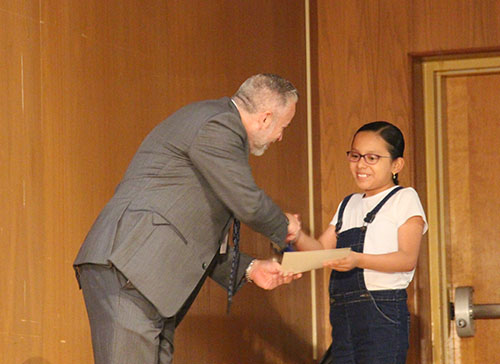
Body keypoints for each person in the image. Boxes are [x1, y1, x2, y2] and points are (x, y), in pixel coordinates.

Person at [73, 73, 302, 364]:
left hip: (147, 280)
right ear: (266, 118)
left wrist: (251, 268)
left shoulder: (213, 127)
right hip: (130, 268)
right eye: (284, 127)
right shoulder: (219, 124)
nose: (281, 137)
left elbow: (192, 234)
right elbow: (248, 202)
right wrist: (286, 228)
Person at [294, 121, 427, 364]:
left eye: (372, 158)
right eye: (355, 156)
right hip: (343, 312)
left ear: (396, 164)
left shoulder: (404, 198)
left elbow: (407, 259)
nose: (360, 165)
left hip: (383, 311)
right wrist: (296, 235)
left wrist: (357, 260)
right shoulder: (348, 204)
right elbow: (321, 251)